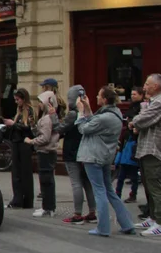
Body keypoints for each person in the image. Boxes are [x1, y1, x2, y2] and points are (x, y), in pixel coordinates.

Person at [76, 87, 136, 237]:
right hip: (105, 156)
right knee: (109, 190)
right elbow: (94, 122)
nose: (96, 96)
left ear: (104, 99)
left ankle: (103, 228)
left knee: (99, 191)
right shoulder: (114, 114)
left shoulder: (104, 117)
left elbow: (84, 128)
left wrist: (80, 111)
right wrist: (88, 108)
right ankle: (127, 224)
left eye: (98, 95)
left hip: (94, 156)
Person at [130, 73, 161, 236]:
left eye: (147, 84)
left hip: (153, 149)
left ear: (155, 86)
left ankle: (160, 224)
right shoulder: (153, 102)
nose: (144, 87)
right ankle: (152, 218)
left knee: (154, 186)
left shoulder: (160, 102)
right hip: (146, 148)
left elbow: (141, 120)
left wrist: (135, 121)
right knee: (148, 185)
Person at [60, 85, 97, 224]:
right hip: (85, 151)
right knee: (87, 183)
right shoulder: (88, 112)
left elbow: (59, 128)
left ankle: (77, 214)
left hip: (72, 151)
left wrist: (52, 117)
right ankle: (92, 212)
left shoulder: (73, 114)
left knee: (76, 183)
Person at [27, 91, 60, 218]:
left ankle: (48, 207)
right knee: (46, 180)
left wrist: (31, 141)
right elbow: (40, 133)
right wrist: (33, 126)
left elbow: (45, 138)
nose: (39, 104)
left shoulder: (47, 119)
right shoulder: (46, 117)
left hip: (46, 151)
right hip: (46, 151)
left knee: (46, 180)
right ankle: (48, 207)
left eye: (41, 102)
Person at [3, 88, 36, 209]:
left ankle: (27, 200)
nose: (16, 102)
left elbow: (30, 128)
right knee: (16, 172)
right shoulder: (19, 111)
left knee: (25, 172)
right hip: (16, 142)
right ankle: (18, 199)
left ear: (23, 99)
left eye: (18, 99)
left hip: (24, 143)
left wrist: (14, 124)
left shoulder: (29, 111)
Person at [115, 86, 143, 203]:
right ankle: (117, 193)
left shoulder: (142, 108)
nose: (132, 96)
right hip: (127, 141)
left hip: (134, 143)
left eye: (135, 94)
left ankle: (133, 194)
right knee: (121, 172)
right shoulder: (131, 107)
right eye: (131, 94)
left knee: (133, 173)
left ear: (141, 95)